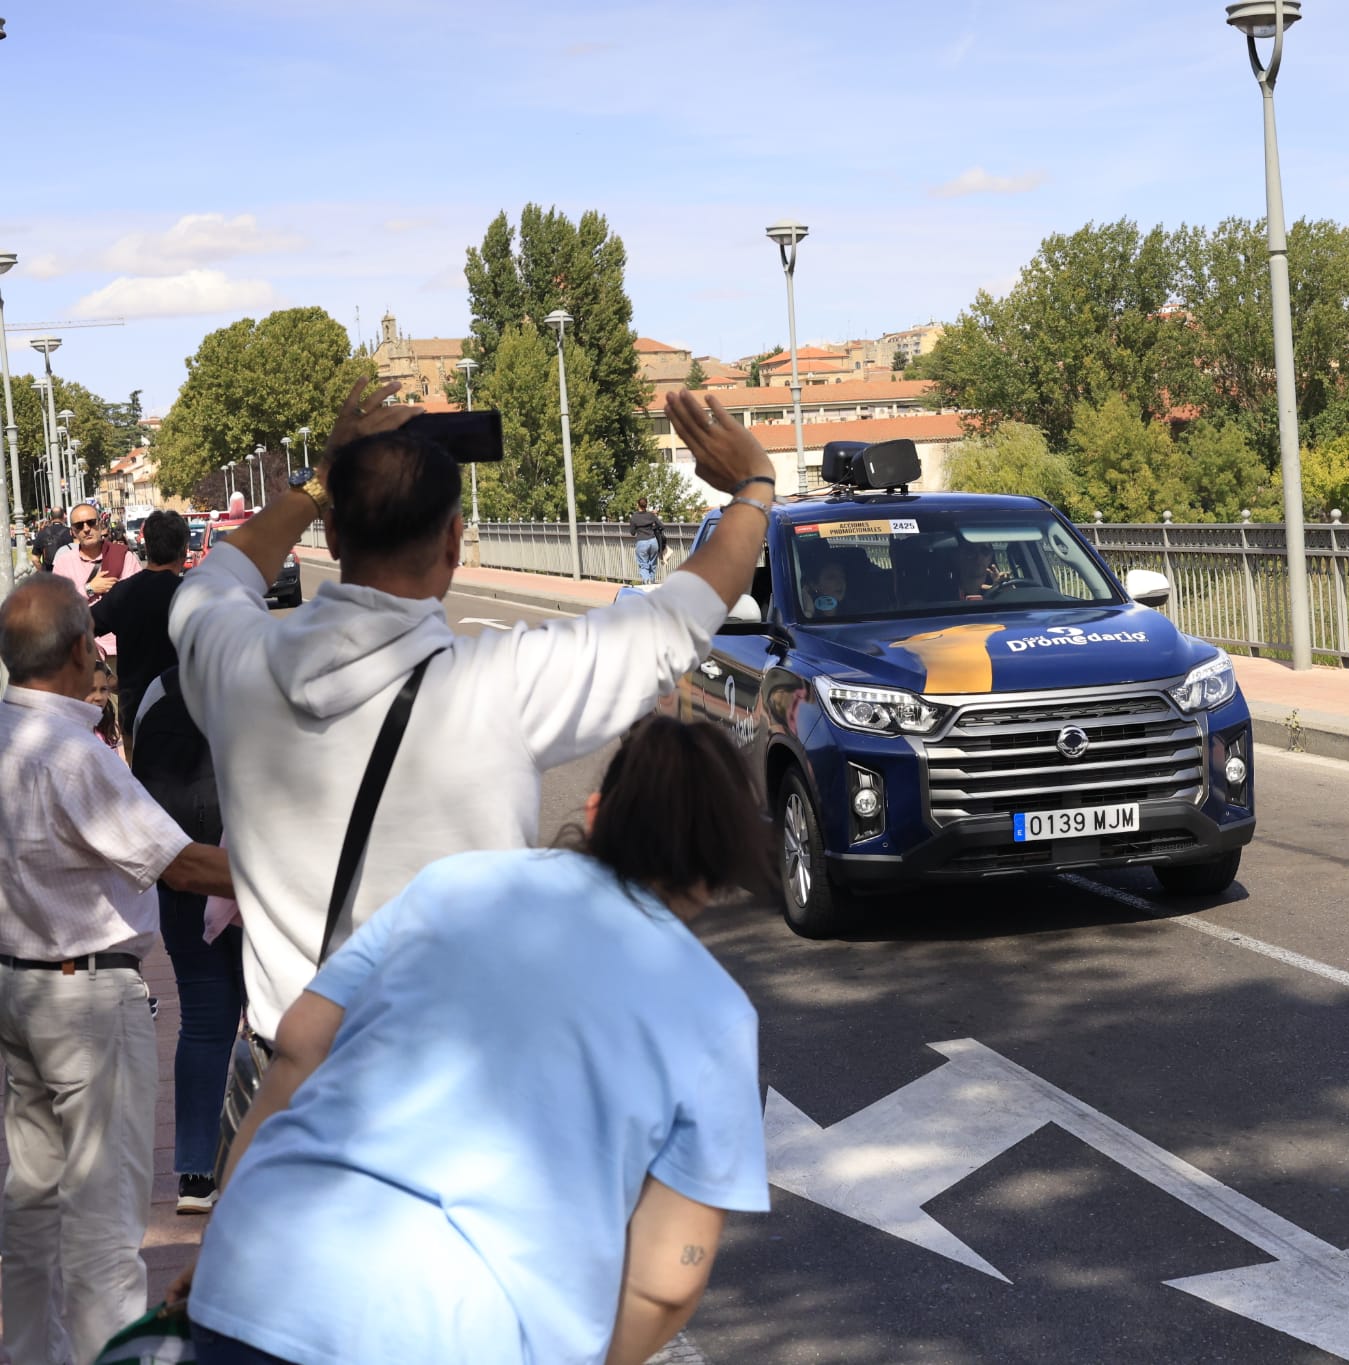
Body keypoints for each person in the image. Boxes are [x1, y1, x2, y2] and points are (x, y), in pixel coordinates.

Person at [167, 379, 776, 1090]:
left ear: (332, 536)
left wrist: (320, 481)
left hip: (295, 1085)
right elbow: (679, 618)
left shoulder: (234, 666)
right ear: (455, 542)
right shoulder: (501, 683)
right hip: (453, 1089)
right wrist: (754, 486)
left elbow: (214, 581)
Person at [176, 717, 773, 1364]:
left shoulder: (452, 883)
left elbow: (297, 1043)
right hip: (455, 1329)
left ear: (598, 811)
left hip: (257, 1271)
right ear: (717, 867)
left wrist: (217, 1243)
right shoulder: (714, 1011)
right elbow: (666, 1280)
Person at [0, 574, 235, 1365]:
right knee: (103, 1228)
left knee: (31, 1213)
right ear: (77, 649)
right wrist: (303, 873)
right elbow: (182, 865)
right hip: (87, 999)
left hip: (20, 988)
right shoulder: (72, 754)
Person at [131, 664, 244, 1217]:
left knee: (202, 1023)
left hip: (181, 877)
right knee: (275, 1023)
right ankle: (270, 1160)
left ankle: (195, 1174)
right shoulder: (259, 681)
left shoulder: (158, 691)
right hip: (249, 881)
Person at [92, 509, 189, 744]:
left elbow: (78, 629)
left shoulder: (123, 593)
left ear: (147, 546)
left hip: (136, 712)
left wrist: (104, 676)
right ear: (184, 550)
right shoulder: (192, 594)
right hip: (187, 714)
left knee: (138, 780)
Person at [51, 502, 141, 659]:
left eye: (91, 523)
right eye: (79, 525)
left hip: (125, 650)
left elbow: (138, 600)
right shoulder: (63, 563)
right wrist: (89, 589)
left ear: (100, 525)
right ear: (72, 531)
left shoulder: (124, 557)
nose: (86, 529)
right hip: (83, 654)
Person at [628, 497, 667, 585]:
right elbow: (662, 526)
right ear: (646, 505)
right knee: (652, 565)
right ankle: (651, 584)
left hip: (642, 542)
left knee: (643, 565)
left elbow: (632, 533)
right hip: (653, 542)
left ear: (637, 505)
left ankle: (647, 581)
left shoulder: (634, 517)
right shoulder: (651, 515)